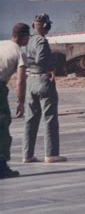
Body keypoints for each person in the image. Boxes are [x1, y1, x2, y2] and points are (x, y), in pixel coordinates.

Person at [23, 14, 67, 163]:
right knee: (49, 118)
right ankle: (51, 153)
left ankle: (27, 154)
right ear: (44, 25)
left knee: (31, 119)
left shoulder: (28, 40)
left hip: (31, 80)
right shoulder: (41, 41)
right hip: (43, 79)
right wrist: (52, 64)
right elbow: (41, 59)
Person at [0, 23, 30, 178]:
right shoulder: (20, 53)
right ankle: (1, 166)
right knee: (2, 127)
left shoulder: (2, 44)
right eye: (28, 36)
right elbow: (20, 81)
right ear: (23, 37)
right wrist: (21, 102)